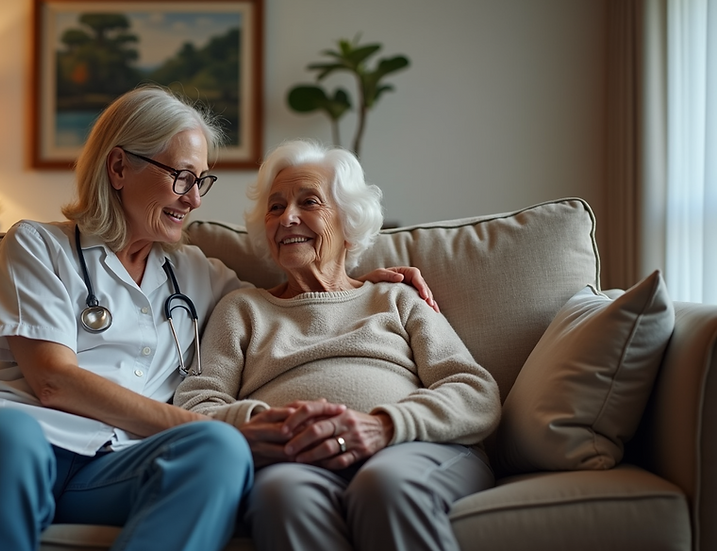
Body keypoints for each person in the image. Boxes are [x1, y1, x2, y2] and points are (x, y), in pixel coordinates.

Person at [0, 86, 436, 551]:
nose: (192, 199)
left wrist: (360, 284)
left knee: (219, 450)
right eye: (181, 177)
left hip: (107, 462)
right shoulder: (39, 244)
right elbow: (52, 381)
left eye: (200, 181)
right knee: (15, 439)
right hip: (3, 435)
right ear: (119, 168)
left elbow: (290, 299)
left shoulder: (198, 274)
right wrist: (199, 422)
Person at [175, 139, 502, 551]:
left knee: (384, 485)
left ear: (348, 223)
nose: (287, 217)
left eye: (308, 202)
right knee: (279, 496)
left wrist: (384, 425)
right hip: (296, 461)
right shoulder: (242, 308)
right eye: (275, 207)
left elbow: (475, 392)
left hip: (411, 448)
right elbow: (195, 402)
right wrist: (262, 424)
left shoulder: (395, 298)